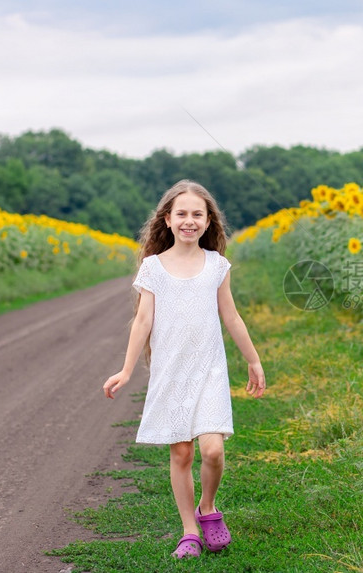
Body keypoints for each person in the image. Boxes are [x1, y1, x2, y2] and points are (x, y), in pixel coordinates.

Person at [102, 179, 266, 559]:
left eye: (197, 214)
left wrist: (253, 359)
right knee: (181, 455)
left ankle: (207, 508)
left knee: (212, 451)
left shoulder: (216, 265)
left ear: (209, 221)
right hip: (170, 373)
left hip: (209, 370)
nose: (189, 220)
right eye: (182, 214)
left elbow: (232, 316)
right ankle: (189, 532)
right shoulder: (153, 267)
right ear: (168, 219)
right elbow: (142, 322)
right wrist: (126, 371)